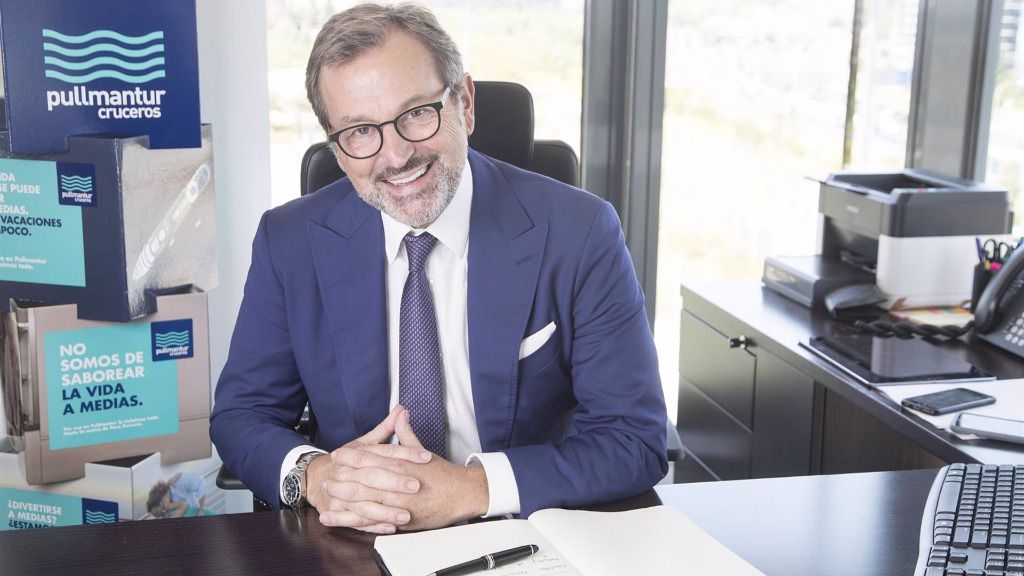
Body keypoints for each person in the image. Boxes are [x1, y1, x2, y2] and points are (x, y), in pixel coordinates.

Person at [210, 2, 666, 534]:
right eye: (360, 131)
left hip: (522, 527)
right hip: (355, 532)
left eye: (416, 114)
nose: (395, 156)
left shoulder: (580, 231)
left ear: (464, 104)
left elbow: (633, 437)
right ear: (336, 147)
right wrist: (316, 476)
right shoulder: (288, 241)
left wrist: (470, 489)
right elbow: (242, 415)